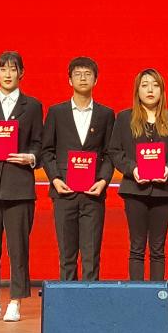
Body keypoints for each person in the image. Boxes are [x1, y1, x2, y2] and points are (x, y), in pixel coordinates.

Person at [0, 51, 43, 323]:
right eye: (3, 69)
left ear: (21, 73)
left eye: (13, 69)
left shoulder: (32, 106)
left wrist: (31, 158)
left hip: (19, 185)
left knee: (18, 247)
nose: (8, 74)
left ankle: (15, 301)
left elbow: (39, 143)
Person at [40, 56, 115, 281]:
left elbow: (110, 153)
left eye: (88, 74)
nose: (83, 78)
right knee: (67, 255)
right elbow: (47, 150)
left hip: (93, 193)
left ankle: (90, 299)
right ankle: (68, 299)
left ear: (96, 80)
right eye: (78, 74)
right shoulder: (57, 112)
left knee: (91, 255)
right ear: (69, 80)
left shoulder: (106, 114)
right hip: (64, 192)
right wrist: (55, 179)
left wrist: (103, 181)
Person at [109, 68, 168, 281]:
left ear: (162, 90)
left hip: (163, 191)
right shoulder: (124, 118)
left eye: (155, 85)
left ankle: (156, 296)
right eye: (144, 85)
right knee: (136, 247)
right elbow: (115, 151)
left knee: (158, 249)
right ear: (137, 91)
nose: (150, 90)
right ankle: (136, 296)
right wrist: (133, 169)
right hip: (134, 190)